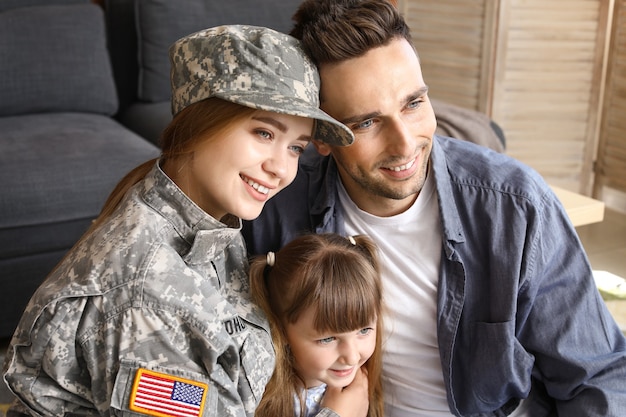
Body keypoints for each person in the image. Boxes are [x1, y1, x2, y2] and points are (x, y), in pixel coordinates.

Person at [242, 1, 626, 416]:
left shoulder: (516, 208)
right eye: (367, 123)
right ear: (322, 137)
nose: (405, 144)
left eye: (413, 104)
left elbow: (597, 377)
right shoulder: (274, 206)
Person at [2, 25, 353, 417]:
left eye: (295, 148)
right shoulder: (145, 297)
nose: (280, 169)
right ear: (199, 121)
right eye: (263, 132)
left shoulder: (207, 217)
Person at [249, 233, 384, 417]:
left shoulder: (360, 387)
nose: (352, 357)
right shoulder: (255, 395)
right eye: (328, 339)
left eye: (364, 330)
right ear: (281, 330)